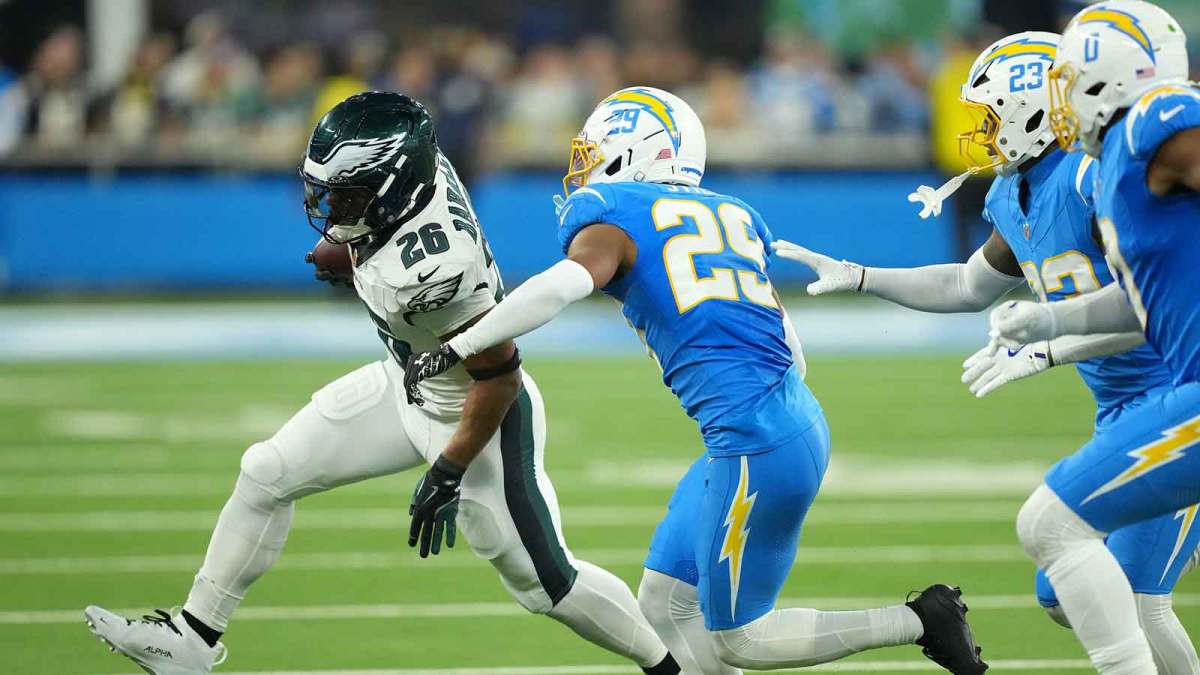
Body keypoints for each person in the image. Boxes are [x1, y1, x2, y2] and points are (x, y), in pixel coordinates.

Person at [82, 92, 678, 675]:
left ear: (391, 187)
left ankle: (671, 666)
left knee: (546, 584)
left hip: (475, 417)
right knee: (266, 471)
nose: (332, 206)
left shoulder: (431, 271)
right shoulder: (418, 174)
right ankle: (193, 638)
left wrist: (449, 468)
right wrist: (353, 251)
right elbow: (384, 229)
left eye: (347, 195)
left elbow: (499, 375)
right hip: (409, 380)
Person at [402, 85, 988, 674]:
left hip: (756, 443)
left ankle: (921, 619)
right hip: (779, 421)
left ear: (639, 151)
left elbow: (561, 286)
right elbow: (791, 349)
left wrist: (461, 343)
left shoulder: (613, 214)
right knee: (664, 600)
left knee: (740, 640)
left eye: (595, 151)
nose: (583, 167)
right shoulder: (732, 214)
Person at [772, 29, 1200, 674]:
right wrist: (862, 276)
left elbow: (1156, 306)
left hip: (1175, 392)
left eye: (993, 115)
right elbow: (967, 286)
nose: (982, 131)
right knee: (1065, 593)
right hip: (1120, 409)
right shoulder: (1013, 192)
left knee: (1135, 596)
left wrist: (1050, 346)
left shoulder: (1093, 177)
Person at [987, 2, 1200, 672]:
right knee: (1060, 547)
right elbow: (1142, 303)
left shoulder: (1154, 118)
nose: (1062, 99)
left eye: (1069, 80)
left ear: (1108, 77)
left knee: (1051, 526)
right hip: (1184, 391)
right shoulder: (1115, 163)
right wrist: (1049, 322)